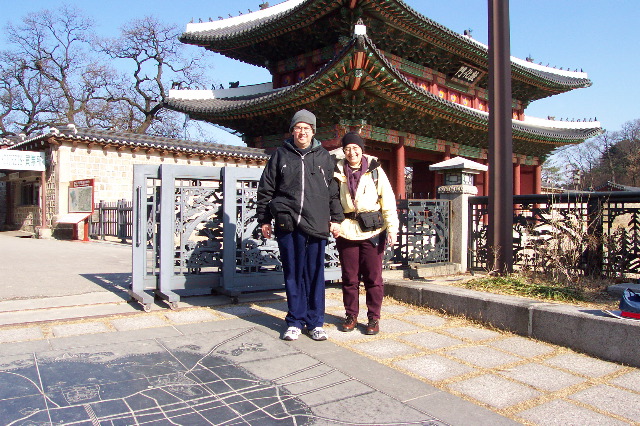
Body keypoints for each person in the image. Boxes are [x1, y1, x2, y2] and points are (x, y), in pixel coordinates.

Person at [256, 109, 343, 341]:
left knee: (315, 274)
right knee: (293, 274)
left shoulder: (324, 157)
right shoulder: (280, 155)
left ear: (313, 131)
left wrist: (336, 219)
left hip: (316, 223)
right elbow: (266, 188)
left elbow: (333, 193)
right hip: (288, 222)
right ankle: (294, 320)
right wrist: (264, 219)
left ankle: (315, 322)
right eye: (298, 127)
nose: (302, 132)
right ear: (292, 130)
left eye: (307, 128)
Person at [334, 132, 399, 335]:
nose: (352, 152)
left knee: (373, 278)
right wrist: (333, 222)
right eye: (347, 149)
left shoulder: (375, 171)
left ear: (362, 149)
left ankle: (373, 318)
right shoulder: (336, 171)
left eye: (355, 148)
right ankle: (351, 315)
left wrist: (392, 229)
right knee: (349, 278)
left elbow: (387, 202)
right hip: (347, 229)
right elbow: (332, 200)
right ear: (343, 152)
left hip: (373, 231)